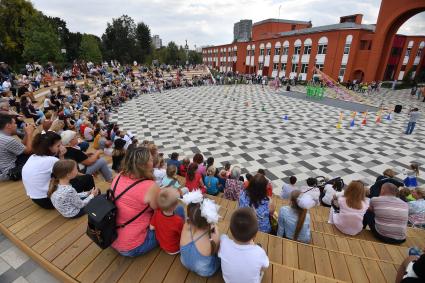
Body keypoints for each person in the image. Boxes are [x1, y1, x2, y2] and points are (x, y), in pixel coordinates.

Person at [22, 132, 94, 209]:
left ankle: (84, 196)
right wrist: (62, 156)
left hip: (36, 199)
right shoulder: (51, 160)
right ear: (49, 148)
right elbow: (69, 174)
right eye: (58, 145)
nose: (61, 147)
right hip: (49, 200)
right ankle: (92, 201)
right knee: (87, 178)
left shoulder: (33, 156)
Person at [111, 147, 160, 256]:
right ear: (144, 165)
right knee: (176, 209)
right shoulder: (150, 186)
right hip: (132, 246)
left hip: (111, 237)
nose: (153, 161)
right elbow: (158, 208)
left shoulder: (118, 176)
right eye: (151, 160)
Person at [219, 208, 269, 283]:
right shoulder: (259, 252)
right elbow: (265, 266)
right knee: (259, 247)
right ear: (255, 235)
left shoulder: (223, 242)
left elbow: (222, 238)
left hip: (228, 281)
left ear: (231, 231)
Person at [180, 191, 221, 277]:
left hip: (184, 262)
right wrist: (214, 227)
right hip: (205, 271)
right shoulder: (213, 236)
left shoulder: (186, 226)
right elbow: (216, 250)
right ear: (210, 219)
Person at [150, 188, 184, 254]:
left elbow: (151, 227)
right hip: (175, 249)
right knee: (181, 209)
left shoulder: (157, 212)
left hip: (163, 245)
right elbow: (183, 235)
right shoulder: (178, 221)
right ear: (175, 206)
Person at [0, 115, 33, 181]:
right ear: (8, 126)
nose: (16, 125)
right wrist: (30, 133)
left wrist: (26, 134)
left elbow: (20, 147)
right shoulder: (8, 140)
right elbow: (29, 150)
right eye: (14, 123)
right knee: (36, 156)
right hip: (11, 172)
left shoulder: (2, 137)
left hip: (2, 170)